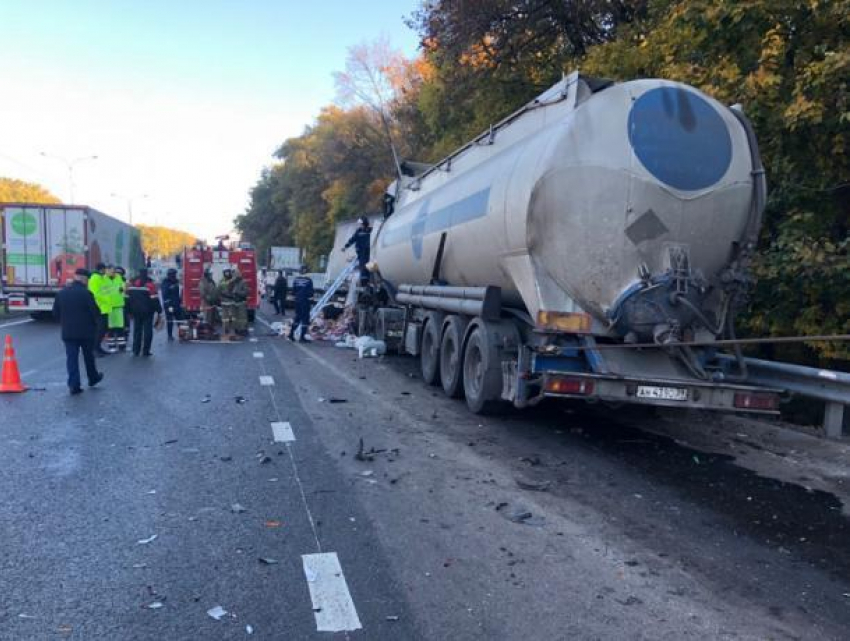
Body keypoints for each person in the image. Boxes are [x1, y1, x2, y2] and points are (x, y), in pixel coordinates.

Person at [52, 268, 103, 395]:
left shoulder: (62, 293)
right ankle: (93, 378)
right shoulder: (87, 294)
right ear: (84, 279)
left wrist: (65, 321)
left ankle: (74, 384)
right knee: (88, 357)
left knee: (72, 358)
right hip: (86, 332)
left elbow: (55, 313)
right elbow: (95, 312)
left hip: (68, 332)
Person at [126, 268, 162, 356]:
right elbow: (154, 299)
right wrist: (159, 310)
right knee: (147, 331)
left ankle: (136, 350)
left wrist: (128, 311)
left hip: (135, 311)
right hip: (147, 312)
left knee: (137, 331)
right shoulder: (150, 284)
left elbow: (126, 298)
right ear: (147, 274)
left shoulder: (131, 284)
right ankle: (146, 351)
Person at [87, 262, 112, 356]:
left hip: (105, 308)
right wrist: (106, 300)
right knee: (100, 329)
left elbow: (107, 290)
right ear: (101, 269)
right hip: (99, 308)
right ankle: (94, 349)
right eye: (104, 269)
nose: (105, 271)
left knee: (103, 329)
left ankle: (98, 347)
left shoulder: (102, 278)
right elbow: (95, 294)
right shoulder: (94, 278)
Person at [343, 216, 373, 284]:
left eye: (361, 224)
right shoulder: (358, 231)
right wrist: (345, 246)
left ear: (364, 224)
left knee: (368, 265)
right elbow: (352, 239)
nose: (360, 225)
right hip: (361, 252)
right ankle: (364, 280)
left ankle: (367, 279)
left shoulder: (370, 230)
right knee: (362, 265)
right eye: (360, 224)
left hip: (368, 251)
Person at [288, 265, 314, 342]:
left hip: (297, 301)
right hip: (305, 301)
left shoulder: (296, 280)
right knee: (305, 319)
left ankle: (291, 334)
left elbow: (293, 291)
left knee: (297, 317)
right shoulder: (308, 280)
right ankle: (302, 337)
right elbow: (310, 293)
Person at [106, 265, 127, 351]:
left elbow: (124, 289)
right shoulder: (104, 280)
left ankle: (122, 346)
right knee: (110, 328)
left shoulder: (119, 278)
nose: (112, 273)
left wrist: (123, 289)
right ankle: (111, 346)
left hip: (119, 306)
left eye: (113, 271)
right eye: (110, 271)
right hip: (109, 307)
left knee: (120, 327)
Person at [160, 268, 182, 341]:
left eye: (175, 274)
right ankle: (170, 335)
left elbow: (178, 293)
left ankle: (182, 334)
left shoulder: (176, 282)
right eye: (173, 275)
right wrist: (168, 305)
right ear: (169, 275)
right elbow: (164, 295)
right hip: (169, 306)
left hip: (177, 304)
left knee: (180, 319)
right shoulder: (165, 283)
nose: (174, 276)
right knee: (170, 320)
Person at [217, 268, 237, 339]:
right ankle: (226, 329)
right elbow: (218, 291)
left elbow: (236, 290)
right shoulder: (221, 281)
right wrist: (220, 299)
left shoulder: (233, 281)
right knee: (225, 317)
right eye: (226, 272)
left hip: (232, 302)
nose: (227, 274)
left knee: (232, 317)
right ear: (224, 273)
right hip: (224, 302)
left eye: (228, 272)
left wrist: (233, 296)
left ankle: (233, 329)